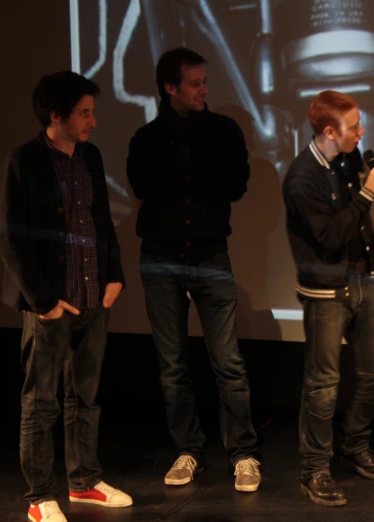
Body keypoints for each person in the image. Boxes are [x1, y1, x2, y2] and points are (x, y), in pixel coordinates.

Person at [0, 71, 131, 522]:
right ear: (57, 116)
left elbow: (101, 223)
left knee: (86, 398)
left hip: (93, 298)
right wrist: (44, 301)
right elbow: (7, 240)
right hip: (51, 305)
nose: (93, 121)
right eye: (84, 113)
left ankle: (84, 481)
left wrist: (115, 275)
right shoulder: (25, 160)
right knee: (41, 402)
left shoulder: (89, 157)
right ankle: (39, 495)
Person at [126, 48, 260, 492]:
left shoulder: (224, 131)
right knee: (171, 363)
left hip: (209, 254)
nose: (204, 90)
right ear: (171, 88)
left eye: (205, 82)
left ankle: (243, 453)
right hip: (160, 258)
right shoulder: (146, 139)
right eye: (196, 83)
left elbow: (239, 186)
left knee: (229, 362)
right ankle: (189, 449)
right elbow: (140, 186)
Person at [282, 90, 374, 507]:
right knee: (323, 385)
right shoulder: (302, 177)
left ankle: (355, 442)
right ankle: (315, 470)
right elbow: (328, 236)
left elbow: (356, 229)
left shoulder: (347, 160)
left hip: (361, 280)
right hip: (326, 290)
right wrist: (367, 196)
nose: (361, 131)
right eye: (354, 126)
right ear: (330, 131)